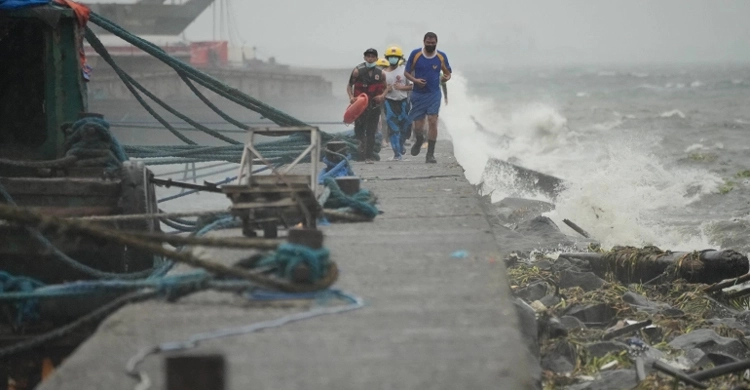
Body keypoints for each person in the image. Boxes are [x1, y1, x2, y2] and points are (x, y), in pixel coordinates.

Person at [404, 32, 452, 163]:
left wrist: (445, 78)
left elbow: (448, 73)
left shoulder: (441, 56)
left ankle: (430, 154)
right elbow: (406, 72)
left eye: (433, 43)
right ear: (424, 42)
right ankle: (419, 140)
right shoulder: (416, 54)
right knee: (418, 125)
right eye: (428, 43)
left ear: (436, 43)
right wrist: (415, 80)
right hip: (418, 94)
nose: (430, 45)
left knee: (432, 120)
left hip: (434, 94)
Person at [347, 48, 388, 163]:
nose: (370, 58)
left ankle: (368, 156)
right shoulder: (357, 71)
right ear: (364, 57)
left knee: (371, 131)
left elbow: (386, 88)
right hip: (359, 106)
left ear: (376, 58)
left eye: (372, 56)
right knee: (359, 130)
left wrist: (382, 96)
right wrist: (351, 97)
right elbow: (349, 86)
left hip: (374, 105)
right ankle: (360, 151)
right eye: (368, 56)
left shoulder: (381, 73)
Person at [382, 45, 412, 161]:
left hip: (403, 102)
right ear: (387, 58)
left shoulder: (405, 71)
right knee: (393, 128)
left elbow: (412, 86)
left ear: (400, 58)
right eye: (391, 57)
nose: (393, 59)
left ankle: (401, 144)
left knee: (406, 127)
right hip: (389, 103)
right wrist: (386, 90)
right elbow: (380, 89)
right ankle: (397, 154)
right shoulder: (383, 73)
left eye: (395, 57)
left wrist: (402, 87)